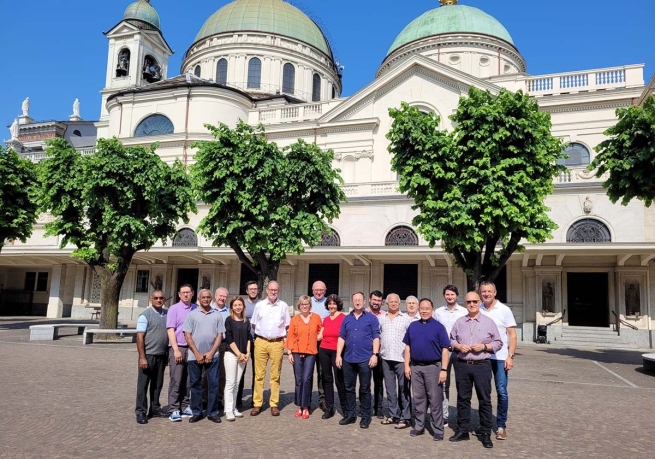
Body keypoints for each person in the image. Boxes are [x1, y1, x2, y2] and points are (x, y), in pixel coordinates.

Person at [449, 291, 502, 449]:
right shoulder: (459, 322)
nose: (471, 304)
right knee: (463, 399)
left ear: (479, 302)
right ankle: (463, 430)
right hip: (462, 365)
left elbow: (498, 342)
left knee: (484, 400)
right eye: (468, 302)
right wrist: (458, 346)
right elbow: (451, 339)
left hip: (482, 366)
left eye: (474, 301)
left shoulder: (488, 322)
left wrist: (485, 346)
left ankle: (485, 432)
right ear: (465, 303)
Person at [403, 298, 451, 441]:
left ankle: (438, 429)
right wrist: (406, 365)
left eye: (427, 308)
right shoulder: (413, 326)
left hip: (433, 367)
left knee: (435, 399)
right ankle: (419, 426)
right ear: (419, 310)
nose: (424, 311)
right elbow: (407, 347)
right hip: (416, 367)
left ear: (432, 310)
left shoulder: (439, 327)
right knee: (418, 399)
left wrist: (444, 369)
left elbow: (445, 349)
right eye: (422, 308)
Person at [336, 292, 380, 429]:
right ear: (352, 301)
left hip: (365, 359)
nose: (357, 302)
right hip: (349, 358)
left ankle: (365, 417)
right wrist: (338, 355)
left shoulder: (371, 319)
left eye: (360, 300)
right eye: (355, 300)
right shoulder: (346, 319)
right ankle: (350, 415)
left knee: (365, 389)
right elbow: (342, 337)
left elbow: (376, 337)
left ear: (364, 301)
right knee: (349, 388)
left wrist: (375, 354)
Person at [480, 281, 517, 441]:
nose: (486, 294)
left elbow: (512, 335)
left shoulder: (504, 310)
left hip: (501, 358)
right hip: (483, 358)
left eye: (489, 291)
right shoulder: (478, 308)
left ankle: (501, 425)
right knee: (484, 393)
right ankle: (485, 425)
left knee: (501, 391)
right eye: (483, 291)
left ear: (495, 292)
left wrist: (510, 355)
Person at [184, 289, 225, 423]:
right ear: (199, 299)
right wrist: (197, 353)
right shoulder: (192, 315)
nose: (206, 299)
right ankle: (196, 411)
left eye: (208, 297)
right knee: (195, 384)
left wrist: (211, 352)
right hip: (194, 356)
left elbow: (220, 336)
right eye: (203, 297)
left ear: (211, 299)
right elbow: (187, 335)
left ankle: (212, 412)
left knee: (213, 384)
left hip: (213, 356)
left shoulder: (217, 315)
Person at [250, 281, 291, 417]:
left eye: (276, 290)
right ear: (267, 290)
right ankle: (257, 403)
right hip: (261, 341)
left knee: (275, 375)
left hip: (277, 343)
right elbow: (254, 324)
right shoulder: (260, 305)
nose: (273, 292)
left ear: (278, 291)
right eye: (271, 290)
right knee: (259, 375)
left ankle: (274, 404)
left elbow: (287, 326)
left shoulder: (283, 306)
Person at [433, 285, 467, 426]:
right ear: (444, 296)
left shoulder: (464, 311)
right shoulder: (439, 312)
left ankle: (461, 417)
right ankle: (444, 415)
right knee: (443, 384)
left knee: (462, 385)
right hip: (443, 352)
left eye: (452, 294)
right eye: (447, 294)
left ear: (457, 296)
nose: (450, 297)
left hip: (460, 352)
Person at [286, 295, 323, 419]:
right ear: (299, 306)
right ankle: (299, 405)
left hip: (311, 352)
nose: (305, 306)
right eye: (302, 304)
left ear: (310, 305)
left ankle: (306, 405)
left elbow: (321, 328)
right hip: (296, 351)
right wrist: (290, 352)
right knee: (299, 379)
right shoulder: (295, 319)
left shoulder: (316, 318)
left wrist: (319, 335)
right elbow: (290, 335)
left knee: (307, 378)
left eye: (307, 304)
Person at [135, 290, 168, 424]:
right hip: (148, 355)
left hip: (161, 355)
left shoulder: (166, 314)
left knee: (157, 384)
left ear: (164, 300)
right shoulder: (145, 315)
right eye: (156, 298)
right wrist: (142, 357)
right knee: (143, 385)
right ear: (151, 300)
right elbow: (140, 337)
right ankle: (141, 411)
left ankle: (154, 407)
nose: (159, 300)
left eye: (161, 298)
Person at [379, 293, 412, 429]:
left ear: (399, 303)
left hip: (401, 359)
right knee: (390, 389)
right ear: (387, 304)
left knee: (403, 388)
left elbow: (411, 341)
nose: (393, 304)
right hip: (386, 358)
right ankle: (393, 414)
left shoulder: (406, 319)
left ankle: (406, 416)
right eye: (390, 302)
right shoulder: (382, 319)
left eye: (395, 302)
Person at [166, 284, 197, 422]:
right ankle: (173, 408)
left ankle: (185, 405)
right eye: (183, 292)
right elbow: (170, 330)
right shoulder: (174, 309)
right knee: (176, 379)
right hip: (179, 347)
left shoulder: (196, 308)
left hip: (192, 349)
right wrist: (176, 350)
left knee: (188, 380)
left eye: (188, 292)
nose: (186, 295)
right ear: (179, 294)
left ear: (192, 293)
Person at [318, 294, 346, 419]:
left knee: (339, 380)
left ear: (338, 305)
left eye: (334, 304)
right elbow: (320, 336)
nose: (331, 306)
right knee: (327, 380)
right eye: (329, 304)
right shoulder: (326, 319)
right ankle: (329, 408)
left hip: (337, 352)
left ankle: (345, 408)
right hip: (324, 350)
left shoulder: (343, 318)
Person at [223, 296, 251, 421]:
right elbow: (229, 338)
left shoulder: (246, 321)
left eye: (240, 305)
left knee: (237, 383)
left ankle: (234, 407)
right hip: (231, 354)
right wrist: (239, 354)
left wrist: (248, 353)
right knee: (230, 383)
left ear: (243, 307)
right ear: (232, 307)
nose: (238, 307)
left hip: (243, 355)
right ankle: (228, 410)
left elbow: (249, 337)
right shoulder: (229, 320)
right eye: (235, 305)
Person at [238, 280, 259, 408]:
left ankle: (255, 399)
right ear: (247, 291)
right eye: (251, 289)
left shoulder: (262, 304)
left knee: (257, 372)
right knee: (241, 370)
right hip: (243, 341)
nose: (253, 291)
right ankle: (238, 397)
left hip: (258, 341)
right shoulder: (242, 304)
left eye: (255, 289)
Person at [366, 289, 386, 418]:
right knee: (365, 381)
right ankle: (366, 407)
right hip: (365, 352)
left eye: (379, 300)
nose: (376, 302)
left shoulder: (385, 315)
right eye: (374, 300)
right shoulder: (363, 313)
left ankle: (378, 408)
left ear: (382, 302)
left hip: (380, 353)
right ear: (369, 300)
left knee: (378, 381)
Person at [311, 280, 330, 411]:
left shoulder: (330, 303)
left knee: (323, 372)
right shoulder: (308, 301)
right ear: (312, 291)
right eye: (316, 290)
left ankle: (323, 399)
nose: (318, 292)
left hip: (324, 342)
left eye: (321, 290)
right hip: (309, 342)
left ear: (325, 290)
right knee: (307, 372)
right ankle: (305, 400)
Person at [211, 287, 229, 409]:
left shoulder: (229, 311)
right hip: (209, 344)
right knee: (206, 374)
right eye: (220, 296)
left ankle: (219, 398)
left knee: (222, 373)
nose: (222, 298)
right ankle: (205, 399)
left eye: (224, 296)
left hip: (223, 344)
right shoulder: (208, 309)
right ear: (215, 296)